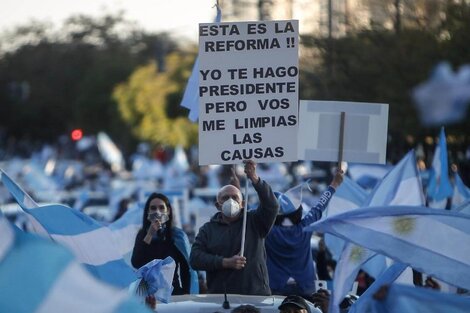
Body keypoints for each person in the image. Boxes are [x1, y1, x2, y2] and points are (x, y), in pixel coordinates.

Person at [190, 160, 279, 295]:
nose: (230, 201)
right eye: (225, 198)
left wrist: (255, 179)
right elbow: (195, 258)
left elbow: (272, 206)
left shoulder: (255, 222)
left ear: (242, 203)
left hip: (256, 295)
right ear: (217, 205)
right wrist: (225, 262)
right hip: (221, 298)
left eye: (234, 198)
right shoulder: (207, 229)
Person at [265, 170, 344, 298]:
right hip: (305, 289)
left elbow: (247, 217)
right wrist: (334, 184)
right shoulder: (304, 227)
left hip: (276, 289)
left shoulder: (267, 231)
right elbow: (319, 206)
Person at [131, 192, 198, 295]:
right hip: (148, 294)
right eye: (153, 208)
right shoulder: (142, 235)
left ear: (168, 211)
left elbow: (186, 269)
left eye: (161, 208)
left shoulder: (177, 236)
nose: (157, 212)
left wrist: (186, 294)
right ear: (147, 212)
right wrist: (149, 235)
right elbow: (136, 262)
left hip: (172, 293)